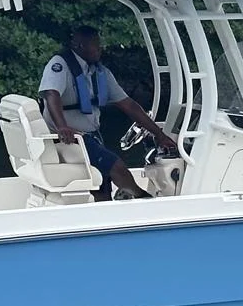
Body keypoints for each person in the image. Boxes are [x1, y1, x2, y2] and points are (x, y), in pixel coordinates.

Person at [39, 25, 177, 199]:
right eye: (95, 44)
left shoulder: (99, 72)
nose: (100, 48)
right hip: (71, 138)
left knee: (103, 184)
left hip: (91, 135)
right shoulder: (60, 65)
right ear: (79, 46)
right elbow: (52, 93)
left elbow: (129, 105)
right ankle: (144, 199)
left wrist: (159, 134)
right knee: (116, 167)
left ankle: (106, 212)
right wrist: (62, 127)